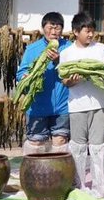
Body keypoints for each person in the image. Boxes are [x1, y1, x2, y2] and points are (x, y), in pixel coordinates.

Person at [60, 12, 104, 198]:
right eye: (87, 31)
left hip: (100, 103)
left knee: (98, 145)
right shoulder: (67, 53)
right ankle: (80, 183)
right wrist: (73, 81)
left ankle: (100, 185)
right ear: (76, 32)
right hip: (77, 104)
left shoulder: (100, 49)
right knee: (79, 146)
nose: (91, 35)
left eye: (92, 31)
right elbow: (64, 80)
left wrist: (97, 75)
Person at [17, 12, 71, 155]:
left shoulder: (69, 48)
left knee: (60, 142)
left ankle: (59, 175)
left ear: (62, 29)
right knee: (36, 143)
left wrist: (59, 61)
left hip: (62, 106)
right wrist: (25, 77)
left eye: (57, 28)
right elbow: (20, 74)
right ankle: (35, 175)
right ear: (43, 28)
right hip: (37, 105)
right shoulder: (32, 49)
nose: (53, 32)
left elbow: (75, 71)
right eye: (50, 27)